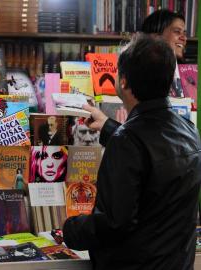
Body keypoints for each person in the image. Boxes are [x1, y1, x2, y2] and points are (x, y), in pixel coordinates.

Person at [63, 34, 201, 270]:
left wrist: (70, 229)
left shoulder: (127, 141)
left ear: (123, 82)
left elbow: (114, 223)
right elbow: (154, 162)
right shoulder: (189, 130)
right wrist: (109, 127)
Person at [142, 9, 187, 97]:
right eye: (177, 31)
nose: (184, 38)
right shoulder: (137, 74)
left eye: (184, 33)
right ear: (156, 35)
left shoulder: (190, 76)